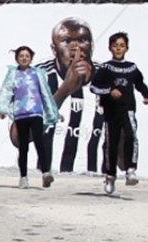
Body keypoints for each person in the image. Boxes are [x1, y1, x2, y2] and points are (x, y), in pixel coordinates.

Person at [35, 17, 105, 173]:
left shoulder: (107, 76)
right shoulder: (39, 76)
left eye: (83, 40)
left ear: (92, 46)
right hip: (47, 182)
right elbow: (18, 138)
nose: (76, 47)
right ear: (54, 49)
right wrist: (64, 90)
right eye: (67, 41)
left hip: (96, 184)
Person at [89, 32, 148, 195]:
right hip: (110, 111)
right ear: (110, 47)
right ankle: (110, 176)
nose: (118, 49)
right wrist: (110, 91)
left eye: (122, 46)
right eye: (115, 46)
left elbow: (139, 83)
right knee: (112, 143)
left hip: (128, 108)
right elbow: (94, 87)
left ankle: (130, 169)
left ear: (127, 48)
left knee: (131, 135)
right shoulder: (105, 68)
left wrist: (146, 95)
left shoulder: (131, 67)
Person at [0, 46, 59, 189]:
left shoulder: (37, 73)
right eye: (21, 56)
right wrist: (3, 109)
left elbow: (46, 94)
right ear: (17, 58)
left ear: (31, 58)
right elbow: (6, 91)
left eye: (27, 56)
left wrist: (53, 112)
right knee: (23, 146)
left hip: (36, 113)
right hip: (20, 114)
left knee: (40, 143)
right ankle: (23, 177)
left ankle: (45, 173)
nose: (24, 58)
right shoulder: (13, 74)